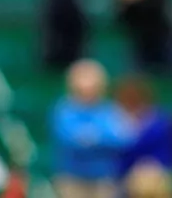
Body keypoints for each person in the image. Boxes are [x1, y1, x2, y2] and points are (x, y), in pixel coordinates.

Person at [50, 60, 133, 198]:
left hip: (105, 179)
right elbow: (70, 140)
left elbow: (122, 139)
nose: (88, 90)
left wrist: (91, 137)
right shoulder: (64, 110)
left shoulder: (110, 110)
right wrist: (99, 137)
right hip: (71, 179)